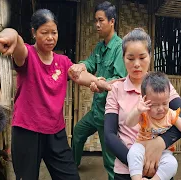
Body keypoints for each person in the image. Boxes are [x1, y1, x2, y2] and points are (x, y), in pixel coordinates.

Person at [0, 8, 112, 180]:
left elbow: (78, 74)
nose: (50, 37)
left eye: (54, 32)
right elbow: (17, 42)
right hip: (27, 131)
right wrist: (10, 34)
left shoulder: (62, 61)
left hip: (55, 132)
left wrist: (99, 82)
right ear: (33, 33)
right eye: (44, 32)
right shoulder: (27, 55)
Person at [104, 28, 181, 180]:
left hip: (159, 167)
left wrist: (161, 142)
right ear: (123, 58)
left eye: (142, 57)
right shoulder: (116, 90)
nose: (137, 64)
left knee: (172, 165)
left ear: (150, 56)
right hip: (128, 170)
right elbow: (109, 135)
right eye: (130, 58)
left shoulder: (161, 86)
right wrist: (138, 165)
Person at [70, 1, 127, 179]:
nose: (96, 25)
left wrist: (99, 84)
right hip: (96, 111)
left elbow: (119, 80)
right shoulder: (100, 47)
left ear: (112, 21)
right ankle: (72, 168)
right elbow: (91, 63)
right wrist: (81, 65)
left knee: (110, 160)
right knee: (78, 132)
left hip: (109, 113)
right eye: (95, 20)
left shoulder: (120, 48)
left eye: (100, 20)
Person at [125, 71, 181, 180]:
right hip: (142, 147)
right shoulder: (144, 113)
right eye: (155, 105)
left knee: (172, 164)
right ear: (145, 101)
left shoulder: (170, 114)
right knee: (133, 153)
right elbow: (129, 123)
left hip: (164, 151)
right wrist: (137, 111)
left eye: (165, 103)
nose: (161, 108)